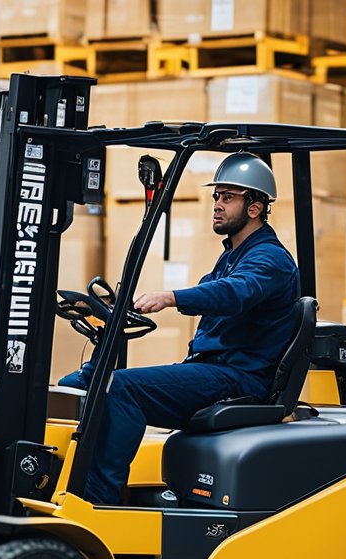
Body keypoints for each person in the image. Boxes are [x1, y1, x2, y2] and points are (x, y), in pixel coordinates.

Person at [59, 152, 302, 506]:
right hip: (211, 371)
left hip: (238, 379)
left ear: (255, 207)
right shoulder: (234, 254)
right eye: (216, 196)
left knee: (122, 389)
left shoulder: (269, 259)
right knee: (84, 381)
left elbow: (233, 294)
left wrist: (171, 297)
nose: (217, 204)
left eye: (228, 197)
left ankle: (97, 504)